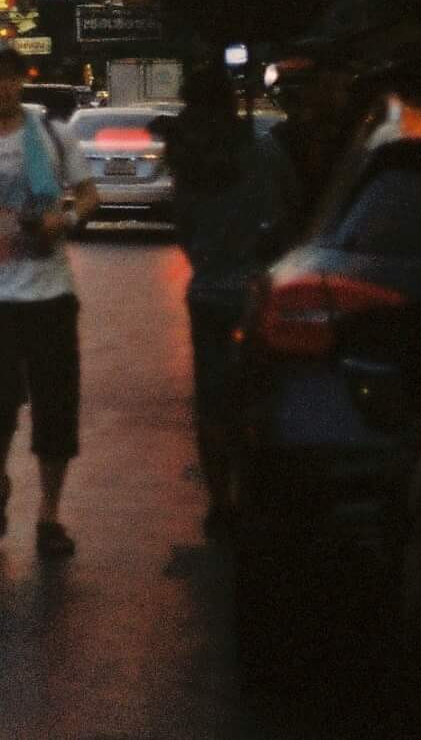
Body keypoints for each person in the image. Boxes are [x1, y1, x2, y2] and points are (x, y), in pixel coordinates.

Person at [0, 43, 98, 559]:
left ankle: (50, 514)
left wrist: (64, 218)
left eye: (9, 77)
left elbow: (88, 194)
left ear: (20, 81)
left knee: (57, 410)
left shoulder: (56, 135)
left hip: (51, 294)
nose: (1, 87)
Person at [156, 62, 297, 541]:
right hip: (260, 293)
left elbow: (184, 228)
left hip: (209, 291)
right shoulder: (262, 150)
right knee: (262, 397)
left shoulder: (187, 156)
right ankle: (259, 493)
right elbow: (291, 214)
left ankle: (221, 503)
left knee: (213, 403)